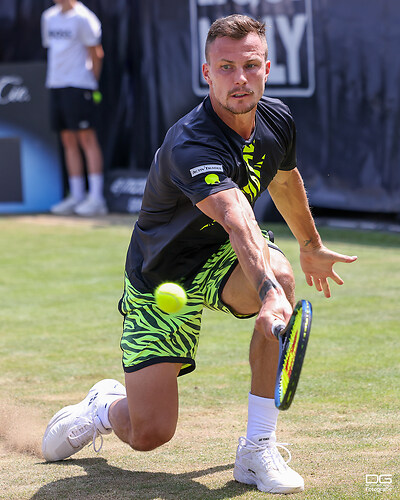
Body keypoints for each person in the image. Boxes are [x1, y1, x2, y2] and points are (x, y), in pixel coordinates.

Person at [41, 15, 357, 494]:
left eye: (251, 65)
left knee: (281, 276)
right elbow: (236, 218)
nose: (240, 78)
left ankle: (257, 448)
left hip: (221, 261)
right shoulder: (192, 141)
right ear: (207, 73)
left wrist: (309, 247)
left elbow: (285, 180)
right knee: (150, 433)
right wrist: (270, 293)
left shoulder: (276, 120)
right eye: (226, 67)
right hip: (158, 275)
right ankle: (103, 408)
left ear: (267, 67)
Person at [41, 0, 107, 216]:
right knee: (68, 139)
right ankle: (77, 195)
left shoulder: (84, 17)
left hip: (80, 85)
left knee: (87, 139)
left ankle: (96, 198)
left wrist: (92, 84)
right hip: (56, 85)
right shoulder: (49, 17)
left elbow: (96, 53)